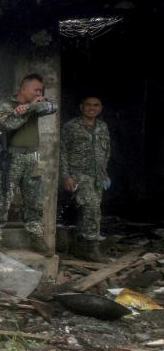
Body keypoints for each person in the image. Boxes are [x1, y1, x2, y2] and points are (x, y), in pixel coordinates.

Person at [0, 73, 58, 253]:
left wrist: (32, 106)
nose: (39, 92)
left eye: (40, 90)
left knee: (34, 198)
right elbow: (7, 125)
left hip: (33, 157)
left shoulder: (37, 103)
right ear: (24, 89)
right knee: (3, 197)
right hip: (12, 156)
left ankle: (35, 237)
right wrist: (25, 110)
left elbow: (52, 107)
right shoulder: (6, 105)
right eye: (36, 89)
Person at [60, 96, 111, 262]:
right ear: (82, 107)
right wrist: (66, 176)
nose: (92, 108)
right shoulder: (71, 127)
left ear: (100, 108)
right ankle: (91, 247)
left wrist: (104, 172)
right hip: (78, 175)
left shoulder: (102, 127)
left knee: (87, 210)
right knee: (92, 208)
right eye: (88, 105)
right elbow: (62, 152)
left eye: (96, 105)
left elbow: (107, 150)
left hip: (97, 176)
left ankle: (80, 246)